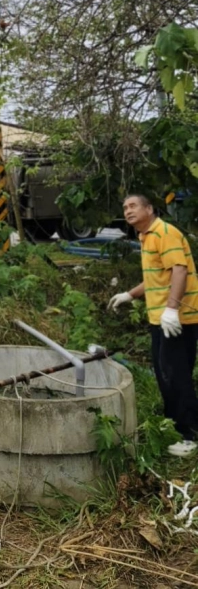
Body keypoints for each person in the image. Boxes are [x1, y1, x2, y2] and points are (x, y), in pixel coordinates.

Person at [108, 194, 198, 456]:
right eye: (124, 207)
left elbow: (179, 270)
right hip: (160, 318)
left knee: (176, 374)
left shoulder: (164, 232)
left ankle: (189, 434)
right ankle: (174, 425)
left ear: (149, 209)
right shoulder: (146, 236)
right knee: (163, 372)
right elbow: (156, 276)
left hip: (177, 318)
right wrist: (130, 295)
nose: (127, 211)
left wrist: (172, 308)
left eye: (133, 205)